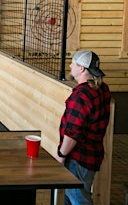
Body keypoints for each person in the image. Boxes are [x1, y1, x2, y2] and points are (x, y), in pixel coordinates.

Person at [56, 50, 111, 205]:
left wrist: (61, 155)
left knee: (79, 199)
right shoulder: (102, 89)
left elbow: (73, 133)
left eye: (73, 63)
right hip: (92, 155)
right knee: (70, 197)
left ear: (81, 69)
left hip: (78, 158)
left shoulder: (81, 95)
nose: (70, 65)